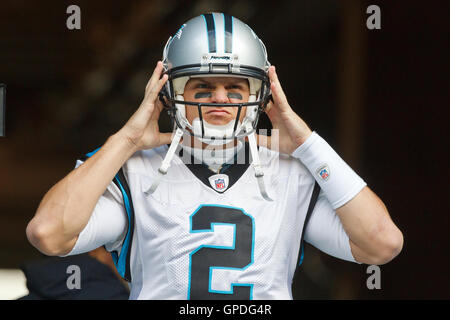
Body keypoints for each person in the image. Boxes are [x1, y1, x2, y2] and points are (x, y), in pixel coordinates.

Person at [26, 12, 403, 300]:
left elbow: (382, 243)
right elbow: (49, 234)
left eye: (234, 86)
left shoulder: (293, 173)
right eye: (203, 87)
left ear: (261, 93)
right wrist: (126, 140)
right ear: (168, 93)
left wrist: (307, 143)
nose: (220, 98)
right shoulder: (136, 170)